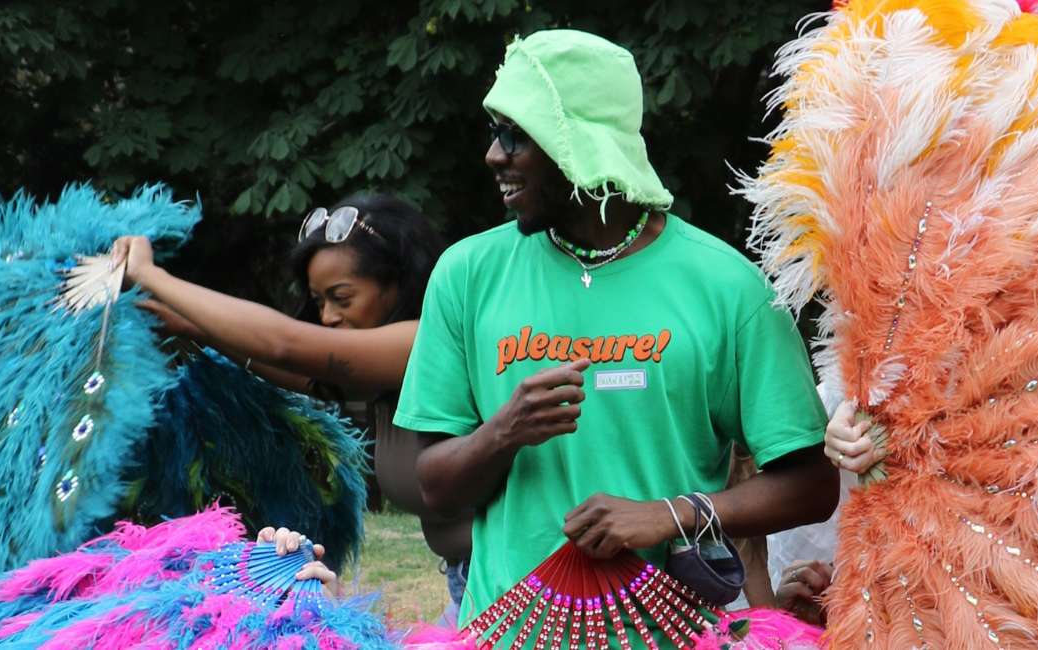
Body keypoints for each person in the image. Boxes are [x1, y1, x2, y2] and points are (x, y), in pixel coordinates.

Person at [396, 29, 840, 641]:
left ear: (580, 139)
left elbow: (811, 485)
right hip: (505, 633)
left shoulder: (726, 286)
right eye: (495, 133)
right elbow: (434, 488)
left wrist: (672, 515)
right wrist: (505, 431)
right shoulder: (467, 274)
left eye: (515, 135)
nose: (495, 155)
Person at [114, 193, 474, 616]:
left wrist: (150, 274)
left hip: (508, 584)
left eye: (342, 298)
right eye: (320, 302)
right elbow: (280, 364)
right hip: (466, 583)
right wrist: (192, 328)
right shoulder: (380, 380)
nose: (328, 317)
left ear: (398, 283)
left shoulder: (422, 342)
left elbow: (285, 345)